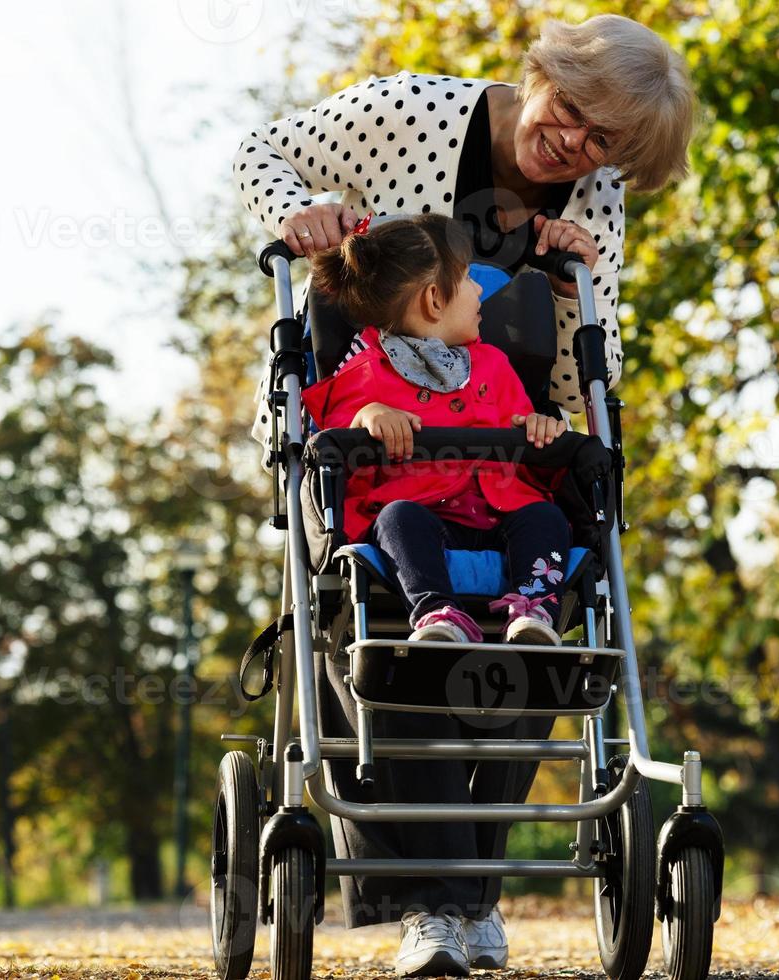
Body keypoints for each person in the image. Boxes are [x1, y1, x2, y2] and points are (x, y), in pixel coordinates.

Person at [301, 213, 570, 976]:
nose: (484, 298)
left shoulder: (488, 365)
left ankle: (532, 609)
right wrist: (366, 417)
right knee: (400, 517)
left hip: (496, 520)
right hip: (414, 536)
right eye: (469, 288)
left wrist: (539, 428)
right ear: (429, 301)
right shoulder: (362, 373)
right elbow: (323, 427)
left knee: (547, 515)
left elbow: (519, 423)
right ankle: (435, 613)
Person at [237, 13, 697, 449]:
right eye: (570, 105)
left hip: (495, 441)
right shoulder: (410, 111)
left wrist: (569, 297)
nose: (572, 139)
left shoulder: (596, 200)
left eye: (602, 140)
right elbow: (261, 150)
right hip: (363, 415)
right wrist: (294, 211)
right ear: (542, 74)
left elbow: (580, 392)